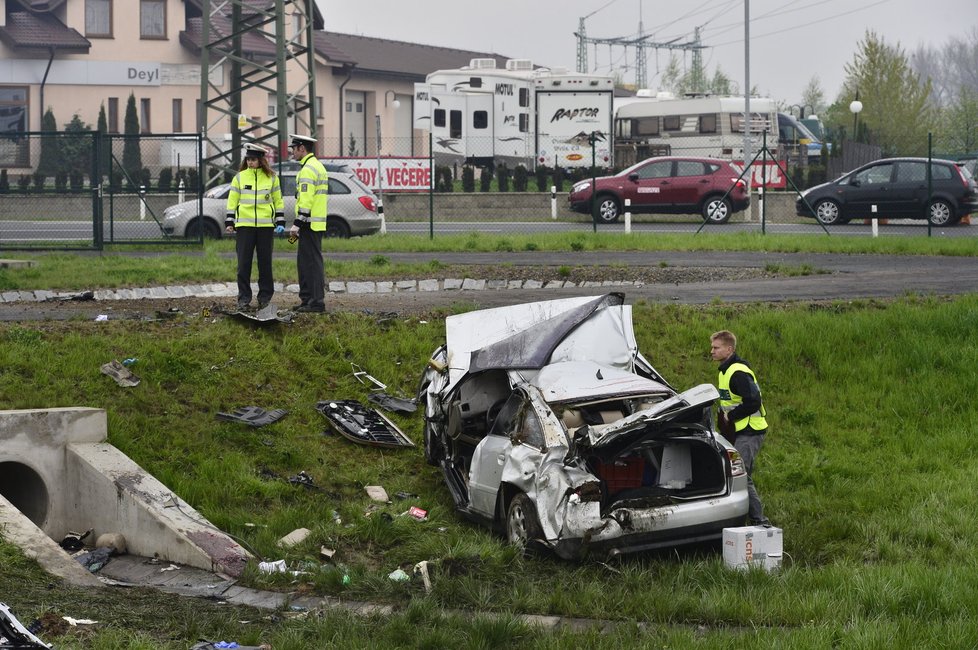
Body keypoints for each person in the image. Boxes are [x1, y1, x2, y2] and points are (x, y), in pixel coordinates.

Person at [710, 330, 771, 526]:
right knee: (737, 474)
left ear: (729, 349)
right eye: (712, 347)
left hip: (750, 430)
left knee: (741, 475)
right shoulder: (725, 370)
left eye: (716, 347)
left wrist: (731, 417)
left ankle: (760, 522)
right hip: (738, 430)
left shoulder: (738, 372)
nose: (711, 351)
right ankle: (741, 518)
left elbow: (753, 401)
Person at [225, 143, 285, 310]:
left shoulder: (272, 177)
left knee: (265, 264)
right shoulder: (239, 177)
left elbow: (278, 200)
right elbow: (232, 200)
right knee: (244, 264)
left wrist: (280, 221)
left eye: (253, 159)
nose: (250, 162)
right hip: (245, 226)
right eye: (248, 159)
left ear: (261, 160)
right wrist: (230, 222)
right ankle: (244, 299)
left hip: (266, 227)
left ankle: (265, 298)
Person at [287, 133, 329, 313]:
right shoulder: (316, 166)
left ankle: (316, 302)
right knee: (306, 263)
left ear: (302, 148)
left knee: (311, 263)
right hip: (313, 224)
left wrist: (297, 223)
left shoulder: (308, 170)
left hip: (309, 224)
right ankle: (307, 300)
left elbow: (306, 200)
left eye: (294, 149)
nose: (292, 153)